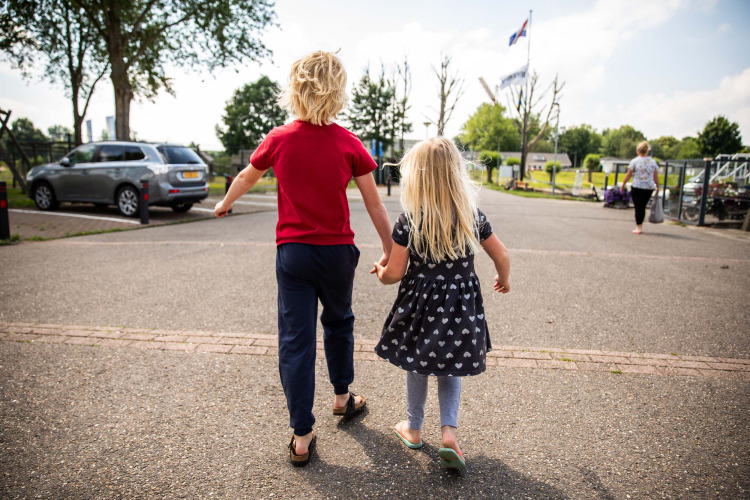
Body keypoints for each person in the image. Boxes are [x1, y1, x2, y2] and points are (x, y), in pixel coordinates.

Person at [214, 50, 393, 467]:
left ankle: (301, 434)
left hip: (293, 254)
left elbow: (246, 176)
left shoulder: (279, 139)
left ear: (295, 90)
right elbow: (375, 206)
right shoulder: (349, 142)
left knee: (296, 339)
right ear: (338, 92)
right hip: (336, 254)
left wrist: (225, 202)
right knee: (338, 322)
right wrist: (388, 249)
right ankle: (342, 397)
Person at [372, 137, 511, 470]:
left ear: (416, 176)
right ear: (456, 173)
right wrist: (504, 279)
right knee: (452, 365)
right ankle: (449, 432)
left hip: (420, 307)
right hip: (461, 307)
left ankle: (414, 427)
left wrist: (379, 273)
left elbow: (394, 273)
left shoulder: (410, 220)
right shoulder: (471, 217)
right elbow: (502, 254)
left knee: (418, 363)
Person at [620, 141, 660, 234]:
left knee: (638, 207)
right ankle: (640, 225)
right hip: (649, 187)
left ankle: (639, 227)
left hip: (637, 186)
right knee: (643, 206)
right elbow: (655, 176)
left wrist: (623, 184)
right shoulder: (652, 162)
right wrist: (657, 186)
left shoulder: (635, 161)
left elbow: (628, 174)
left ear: (638, 151)